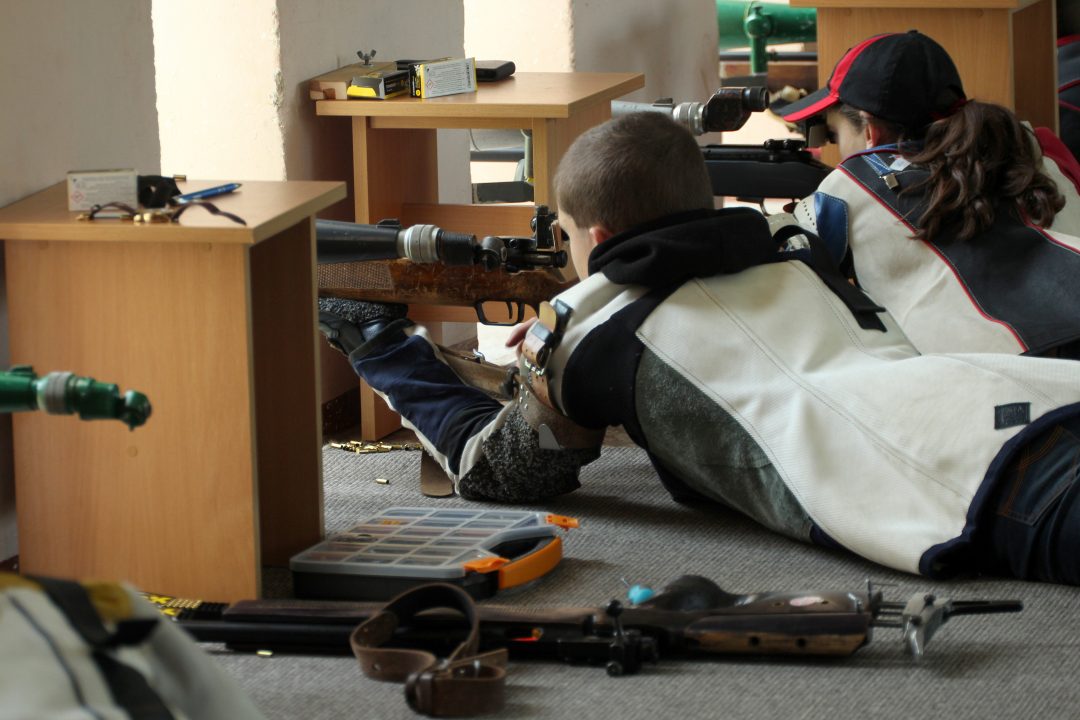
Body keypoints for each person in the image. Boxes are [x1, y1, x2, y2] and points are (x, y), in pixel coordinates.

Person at [319, 111, 1080, 585]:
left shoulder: (593, 328)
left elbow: (501, 472)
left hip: (960, 480)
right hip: (1011, 396)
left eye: (567, 233)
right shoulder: (790, 244)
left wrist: (378, 343)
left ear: (597, 237)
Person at [774, 30, 1080, 358]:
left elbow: (784, 283)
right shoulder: (1031, 145)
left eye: (833, 134)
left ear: (870, 131)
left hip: (1017, 370)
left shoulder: (848, 187)